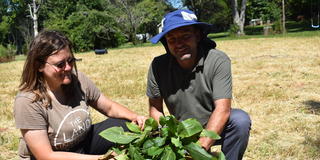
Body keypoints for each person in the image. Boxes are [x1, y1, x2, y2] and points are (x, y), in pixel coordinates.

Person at [14, 30, 147, 160]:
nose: (68, 68)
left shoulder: (77, 80)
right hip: (55, 156)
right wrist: (101, 159)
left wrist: (135, 117)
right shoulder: (28, 101)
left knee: (126, 124)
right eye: (60, 64)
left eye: (70, 61)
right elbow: (45, 156)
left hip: (82, 144)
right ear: (39, 66)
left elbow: (109, 107)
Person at [146, 9, 251, 160]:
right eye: (172, 39)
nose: (179, 44)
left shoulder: (217, 60)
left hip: (214, 125)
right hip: (181, 130)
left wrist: (198, 150)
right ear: (166, 43)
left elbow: (223, 109)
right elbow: (155, 109)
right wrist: (167, 139)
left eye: (185, 36)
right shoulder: (158, 66)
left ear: (198, 35)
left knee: (240, 120)